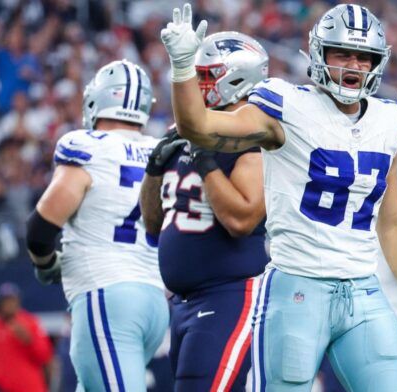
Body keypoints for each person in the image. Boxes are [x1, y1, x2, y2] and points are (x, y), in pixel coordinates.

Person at [160, 4, 397, 391]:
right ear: (318, 54)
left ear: (377, 63)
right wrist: (182, 69)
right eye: (341, 53)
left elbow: (392, 218)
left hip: (363, 291)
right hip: (297, 288)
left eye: (363, 57)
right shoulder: (285, 105)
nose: (352, 65)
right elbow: (201, 128)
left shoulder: (389, 119)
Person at [25, 59, 169, 392]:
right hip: (153, 302)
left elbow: (41, 228)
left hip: (107, 294)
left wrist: (46, 263)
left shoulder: (89, 147)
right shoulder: (158, 149)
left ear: (98, 99)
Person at [139, 31, 269, 392]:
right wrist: (154, 169)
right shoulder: (182, 131)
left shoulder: (251, 136)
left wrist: (205, 160)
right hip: (182, 304)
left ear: (235, 79)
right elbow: (152, 224)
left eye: (204, 76)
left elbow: (242, 220)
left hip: (229, 296)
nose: (194, 85)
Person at [0, 283, 54, 392]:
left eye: (13, 300)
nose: (10, 305)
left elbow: (45, 355)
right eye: (6, 301)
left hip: (30, 388)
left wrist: (29, 340)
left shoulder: (30, 322)